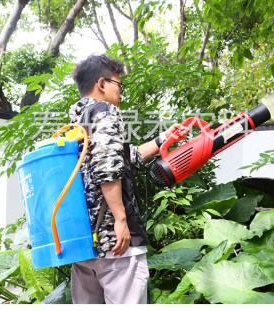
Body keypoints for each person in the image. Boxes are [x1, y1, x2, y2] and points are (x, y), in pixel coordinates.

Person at [68, 54, 189, 304]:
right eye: (118, 85)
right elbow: (107, 168)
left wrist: (163, 139)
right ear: (102, 84)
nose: (121, 93)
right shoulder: (105, 110)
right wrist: (121, 221)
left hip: (84, 242)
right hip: (115, 242)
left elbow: (123, 159)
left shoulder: (77, 122)